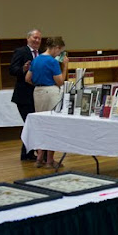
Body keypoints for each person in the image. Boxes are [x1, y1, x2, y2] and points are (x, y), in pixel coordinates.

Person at [25, 37, 69, 169]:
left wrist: (39, 83)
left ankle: (39, 158)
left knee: (41, 124)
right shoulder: (52, 61)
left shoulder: (36, 59)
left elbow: (27, 78)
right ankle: (50, 160)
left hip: (37, 92)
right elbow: (60, 81)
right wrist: (65, 66)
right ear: (55, 47)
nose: (59, 54)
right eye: (59, 51)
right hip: (50, 92)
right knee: (52, 125)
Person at [9, 29, 42, 161]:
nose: (37, 40)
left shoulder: (41, 54)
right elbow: (12, 70)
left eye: (39, 38)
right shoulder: (21, 51)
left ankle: (28, 153)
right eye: (35, 38)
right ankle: (27, 153)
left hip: (37, 94)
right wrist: (23, 69)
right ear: (28, 38)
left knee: (33, 123)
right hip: (24, 95)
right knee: (29, 123)